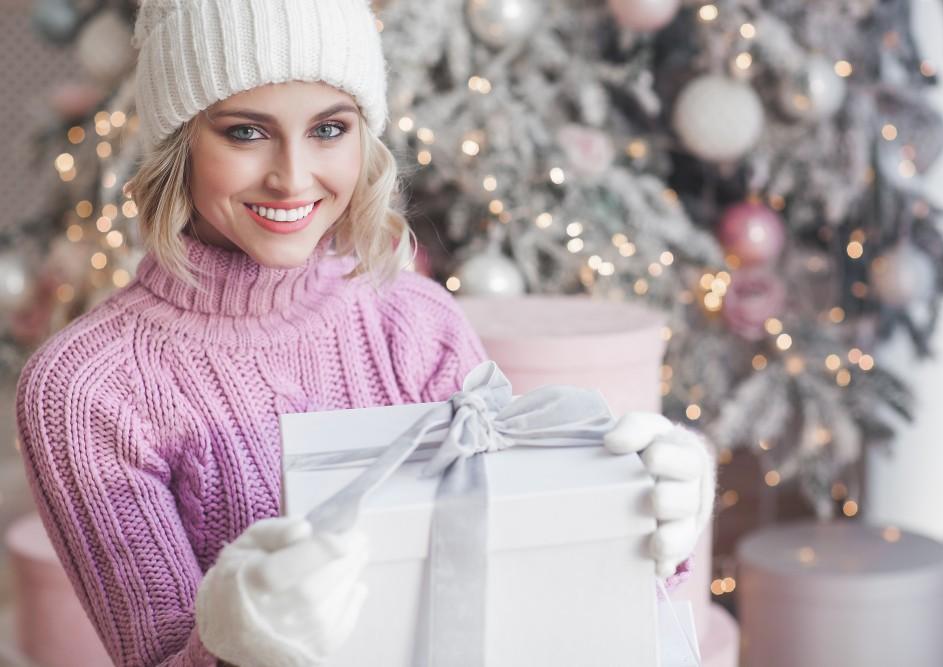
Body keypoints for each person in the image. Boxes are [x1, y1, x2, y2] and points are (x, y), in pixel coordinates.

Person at [14, 1, 716, 666]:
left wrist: (639, 525)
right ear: (179, 140)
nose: (293, 178)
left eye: (329, 128)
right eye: (246, 130)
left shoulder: (414, 323)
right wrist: (246, 642)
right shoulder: (87, 389)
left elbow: (525, 596)